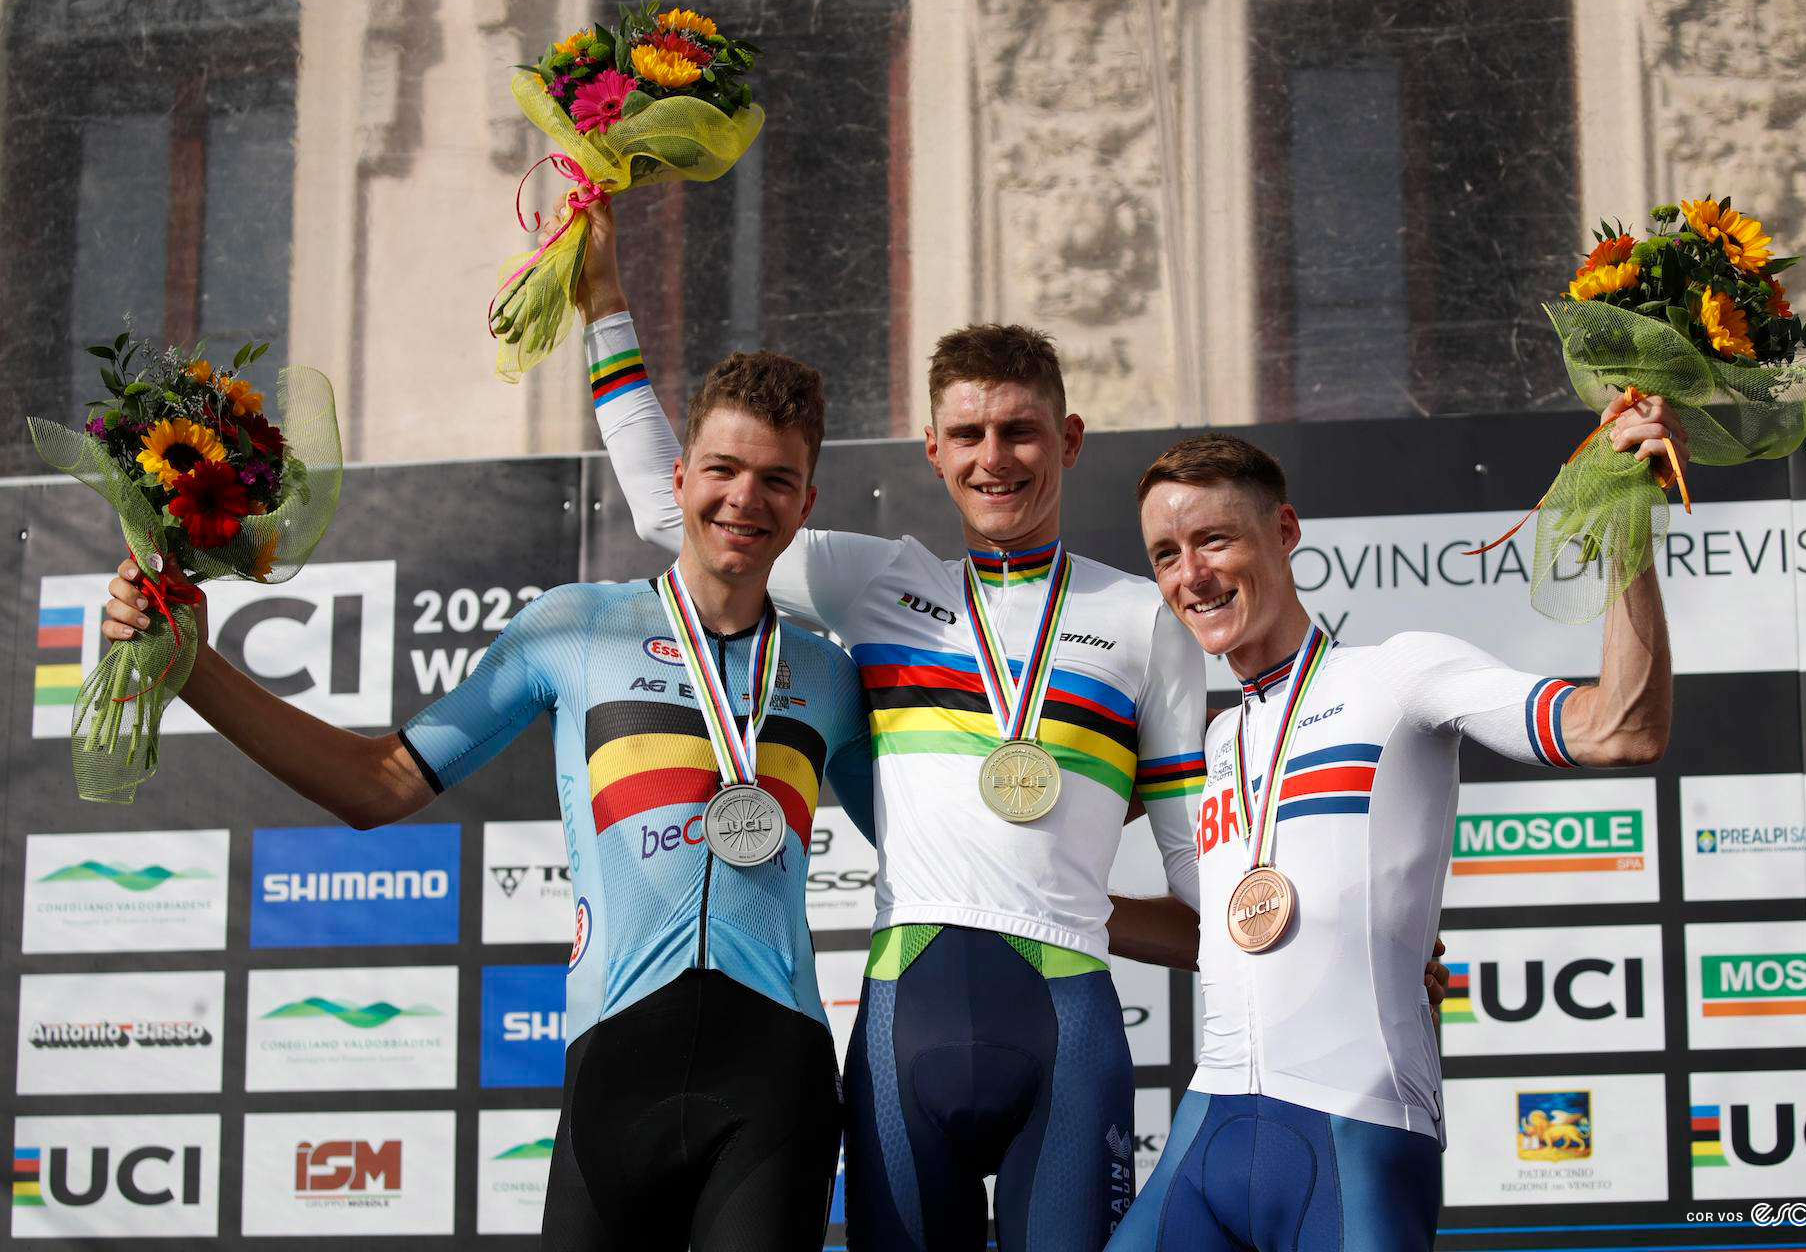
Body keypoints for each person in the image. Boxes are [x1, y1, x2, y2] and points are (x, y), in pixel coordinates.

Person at [576, 203, 1448, 1251]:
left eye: (1022, 429)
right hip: (905, 1024)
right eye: (973, 435)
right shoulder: (874, 582)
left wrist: (1353, 948)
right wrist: (604, 312)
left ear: (1067, 439)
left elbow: (1200, 875)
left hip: (1069, 1029)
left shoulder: (1144, 617)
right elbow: (672, 511)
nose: (998, 457)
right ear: (934, 449)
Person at [100, 351, 873, 1251]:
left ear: (807, 504)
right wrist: (190, 665)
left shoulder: (829, 676)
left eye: (778, 480)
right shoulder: (574, 628)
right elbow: (376, 783)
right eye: (724, 470)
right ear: (680, 478)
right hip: (615, 1068)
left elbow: (930, 843)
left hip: (774, 1082)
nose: (747, 499)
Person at [1109, 411, 1683, 1251]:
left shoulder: (1398, 674)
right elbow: (1218, 935)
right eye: (1167, 554)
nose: (1192, 575)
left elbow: (1620, 729)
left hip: (1357, 1136)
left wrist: (1627, 522)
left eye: (1215, 540)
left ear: (1284, 530)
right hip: (1209, 1129)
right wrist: (1058, 908)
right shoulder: (1216, 741)